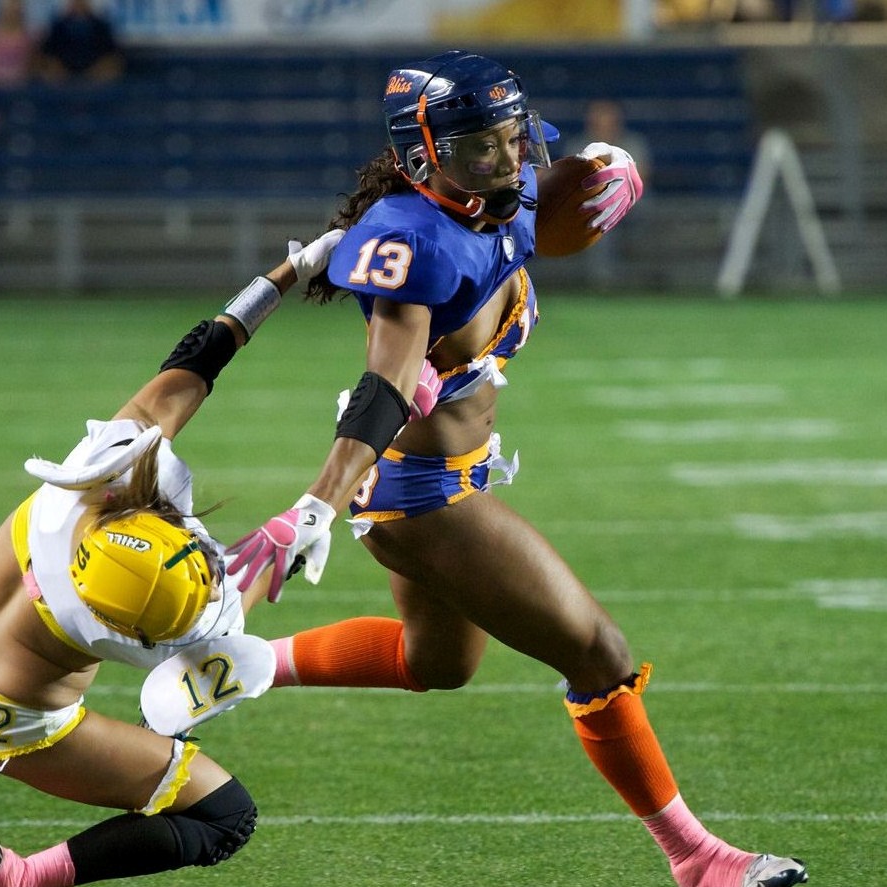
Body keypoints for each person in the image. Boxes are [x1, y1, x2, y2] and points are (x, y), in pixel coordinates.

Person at [226, 50, 809, 887]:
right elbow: (385, 381)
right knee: (598, 653)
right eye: (479, 149)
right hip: (416, 495)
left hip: (450, 475)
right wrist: (309, 508)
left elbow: (556, 202)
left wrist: (614, 169)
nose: (504, 163)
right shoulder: (408, 237)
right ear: (423, 157)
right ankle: (698, 859)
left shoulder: (499, 193)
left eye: (510, 139)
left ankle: (249, 663)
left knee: (437, 664)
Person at [0, 231, 343, 887]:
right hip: (10, 726)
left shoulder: (75, 492)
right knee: (224, 816)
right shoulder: (136, 622)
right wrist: (324, 499)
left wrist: (284, 274)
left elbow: (188, 368)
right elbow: (258, 578)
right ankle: (22, 877)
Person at [562, 98, 653, 287]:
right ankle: (602, 280)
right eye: (598, 114)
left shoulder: (632, 142)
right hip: (592, 203)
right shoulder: (578, 145)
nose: (603, 119)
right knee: (600, 220)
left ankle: (641, 280)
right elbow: (570, 182)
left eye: (607, 114)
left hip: (631, 202)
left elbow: (641, 177)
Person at [37, 0, 124, 85]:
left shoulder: (101, 26)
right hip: (62, 73)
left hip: (96, 73)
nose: (79, 3)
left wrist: (101, 67)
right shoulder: (58, 26)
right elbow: (47, 54)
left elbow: (112, 53)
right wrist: (55, 66)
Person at [0, 0, 38, 93]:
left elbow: (30, 66)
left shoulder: (28, 37)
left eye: (15, 8)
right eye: (9, 7)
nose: (12, 11)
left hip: (20, 88)